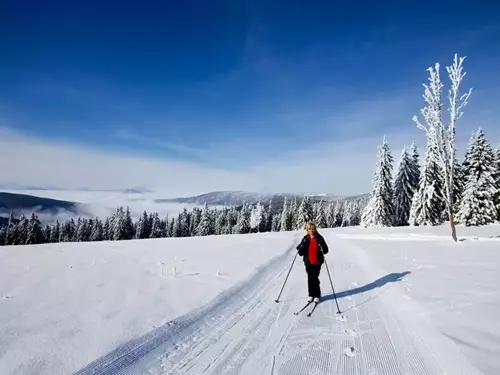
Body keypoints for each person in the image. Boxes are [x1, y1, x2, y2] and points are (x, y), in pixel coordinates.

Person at [296, 222, 329, 303]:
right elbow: (300, 252)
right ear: (307, 229)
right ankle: (311, 294)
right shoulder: (305, 238)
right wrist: (301, 247)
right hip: (308, 262)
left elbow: (326, 250)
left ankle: (317, 295)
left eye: (313, 229)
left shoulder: (319, 238)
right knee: (310, 278)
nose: (311, 230)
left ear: (315, 229)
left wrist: (322, 247)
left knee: (314, 277)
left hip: (317, 262)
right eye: (309, 229)